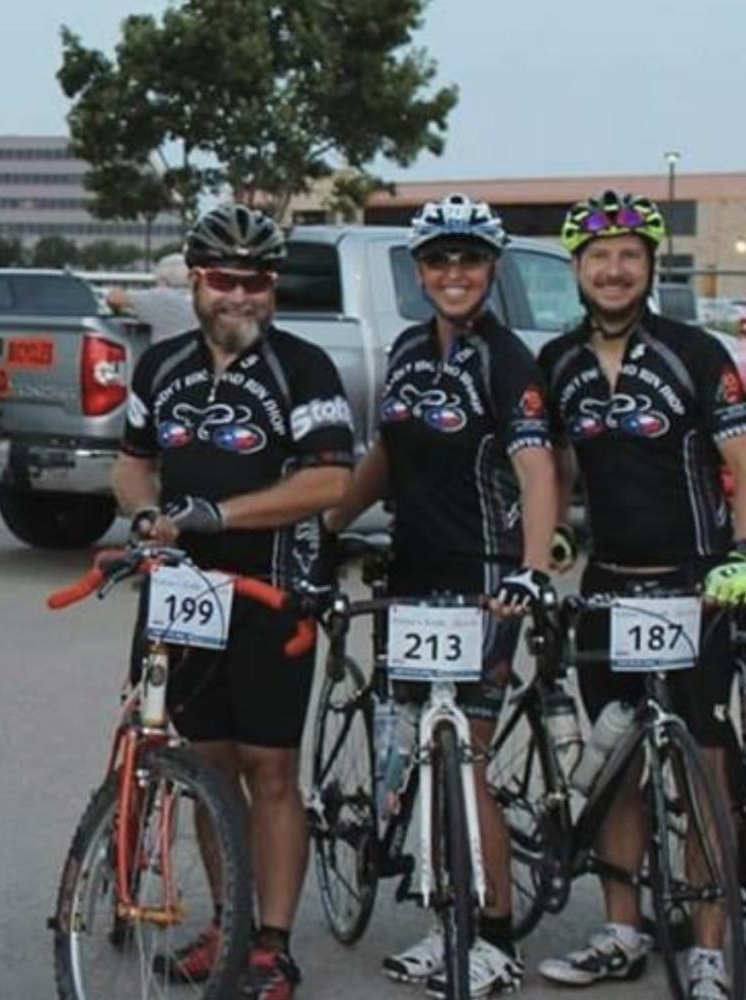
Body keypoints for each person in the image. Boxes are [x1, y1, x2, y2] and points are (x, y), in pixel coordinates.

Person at [114, 204, 355, 1000]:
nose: (241, 296)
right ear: (196, 281)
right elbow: (133, 462)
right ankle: (231, 922)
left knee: (271, 771)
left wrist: (218, 516)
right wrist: (145, 515)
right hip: (187, 598)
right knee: (207, 768)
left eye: (256, 281)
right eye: (224, 280)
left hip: (274, 592)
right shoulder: (162, 367)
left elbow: (330, 481)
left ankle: (274, 945)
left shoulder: (304, 368)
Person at [327, 194, 556, 998]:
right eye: (438, 262)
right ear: (420, 272)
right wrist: (328, 524)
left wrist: (531, 569)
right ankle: (441, 920)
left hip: (486, 577)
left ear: (491, 270)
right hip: (412, 574)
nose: (453, 275)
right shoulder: (407, 350)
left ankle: (492, 936)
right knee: (424, 749)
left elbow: (537, 472)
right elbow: (387, 452)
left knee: (470, 759)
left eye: (468, 261)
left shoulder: (507, 361)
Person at [537, 191, 746, 1000]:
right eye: (598, 258)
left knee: (706, 769)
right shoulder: (559, 360)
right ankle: (622, 930)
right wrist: (556, 532)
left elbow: (741, 456)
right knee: (617, 766)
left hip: (697, 585)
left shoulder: (696, 352)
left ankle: (706, 948)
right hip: (609, 589)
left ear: (650, 266)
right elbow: (551, 460)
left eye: (629, 255)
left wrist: (741, 555)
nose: (614, 270)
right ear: (579, 271)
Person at [106, 251, 197, 345]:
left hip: (167, 355)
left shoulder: (160, 297)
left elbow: (114, 298)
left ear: (162, 278)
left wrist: (118, 306)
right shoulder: (199, 297)